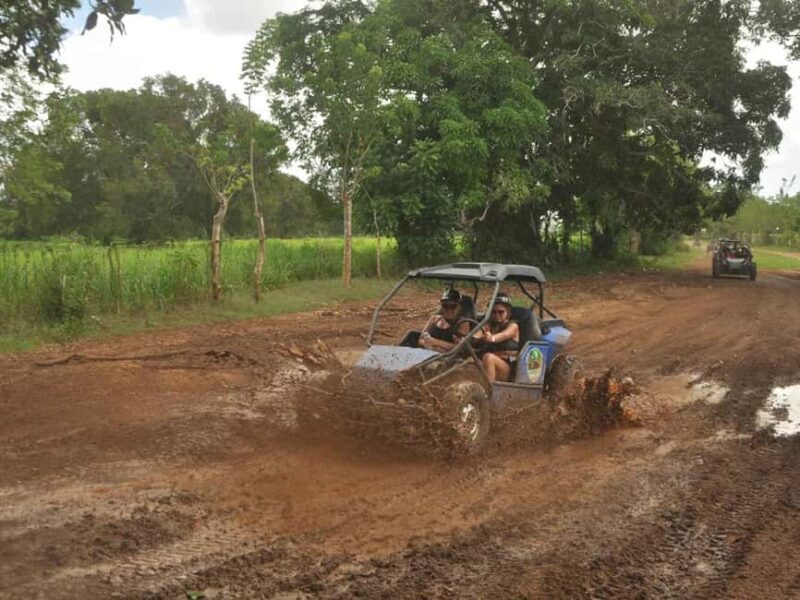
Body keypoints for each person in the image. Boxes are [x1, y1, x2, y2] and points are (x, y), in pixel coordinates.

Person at [476, 293, 520, 382]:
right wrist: (468, 339)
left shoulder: (513, 326)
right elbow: (476, 335)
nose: (497, 315)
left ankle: (488, 389)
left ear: (508, 312)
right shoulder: (488, 325)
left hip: (508, 367)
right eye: (493, 312)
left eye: (500, 312)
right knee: (469, 361)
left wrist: (491, 338)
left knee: (489, 357)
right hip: (487, 362)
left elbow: (504, 335)